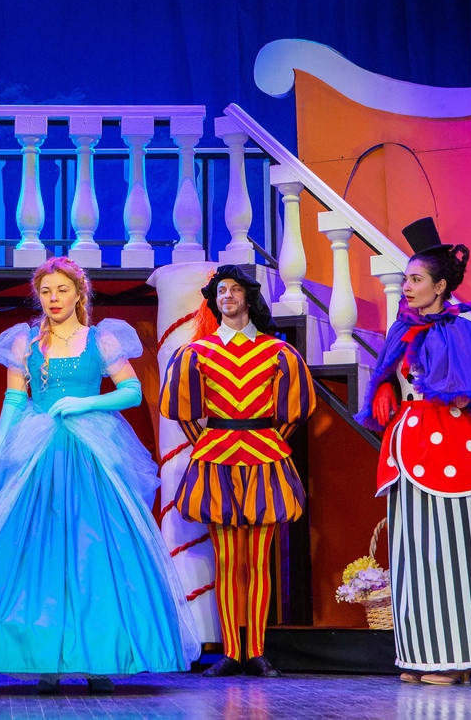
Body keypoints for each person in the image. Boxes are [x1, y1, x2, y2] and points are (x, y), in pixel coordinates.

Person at [0, 257, 199, 692]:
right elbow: (14, 401)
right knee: (39, 549)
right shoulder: (25, 342)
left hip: (91, 451)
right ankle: (45, 661)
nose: (53, 299)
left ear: (79, 293)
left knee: (95, 549)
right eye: (46, 292)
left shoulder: (101, 338)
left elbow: (132, 392)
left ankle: (101, 661)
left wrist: (85, 403)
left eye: (62, 290)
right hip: (39, 450)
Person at [357, 218, 471, 684]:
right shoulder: (401, 329)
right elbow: (389, 372)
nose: (406, 287)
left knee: (455, 551)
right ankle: (422, 655)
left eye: (415, 279)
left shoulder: (462, 330)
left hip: (450, 444)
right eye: (406, 279)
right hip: (407, 447)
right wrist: (384, 386)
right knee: (413, 552)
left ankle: (458, 659)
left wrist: (445, 392)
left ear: (440, 285)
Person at [159, 264, 314, 678]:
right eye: (220, 290)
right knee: (228, 561)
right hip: (218, 461)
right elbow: (184, 412)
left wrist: (266, 442)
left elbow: (294, 411)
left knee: (259, 561)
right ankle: (232, 651)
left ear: (248, 297)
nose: (226, 295)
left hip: (263, 459)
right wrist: (213, 443)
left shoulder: (279, 353)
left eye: (234, 289)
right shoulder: (196, 353)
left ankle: (256, 651)